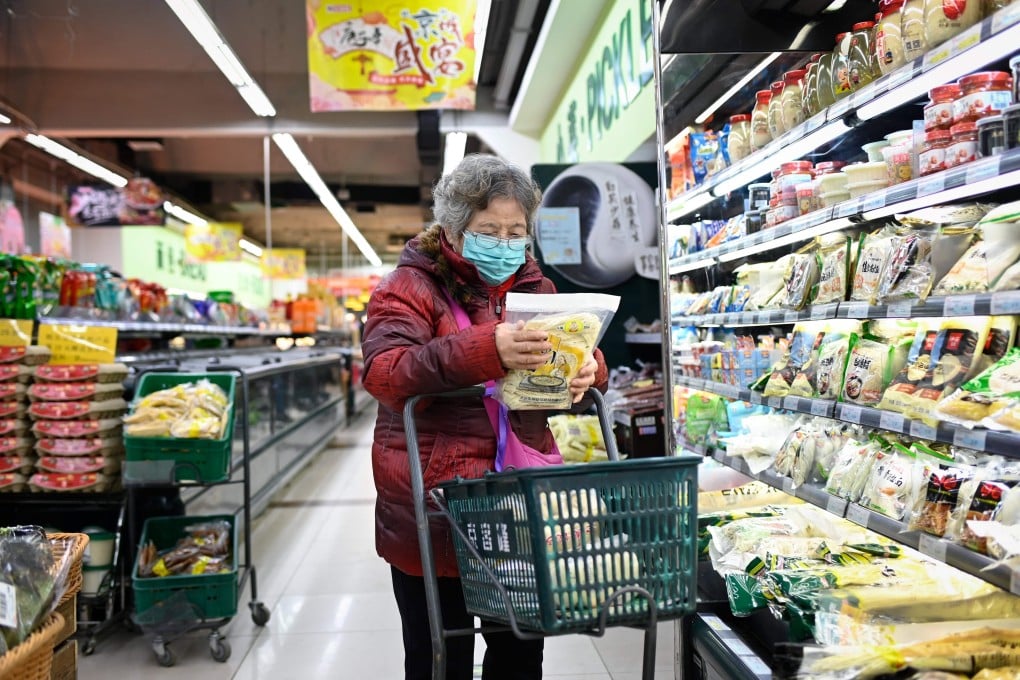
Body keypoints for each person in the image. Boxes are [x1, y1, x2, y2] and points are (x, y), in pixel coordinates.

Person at [362, 154, 610, 680]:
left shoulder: (537, 291)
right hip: (435, 504)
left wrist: (589, 369)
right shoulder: (407, 288)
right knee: (439, 656)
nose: (504, 244)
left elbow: (566, 363)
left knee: (520, 652)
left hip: (517, 502)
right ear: (453, 231)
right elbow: (385, 373)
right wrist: (486, 350)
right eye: (489, 231)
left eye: (515, 232)